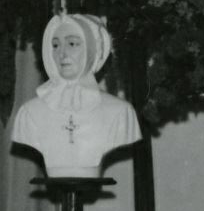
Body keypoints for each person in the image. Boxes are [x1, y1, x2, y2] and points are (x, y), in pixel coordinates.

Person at [9, 12, 143, 180]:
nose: (62, 54)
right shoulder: (29, 112)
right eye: (55, 45)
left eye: (72, 44)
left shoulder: (121, 112)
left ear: (92, 50)